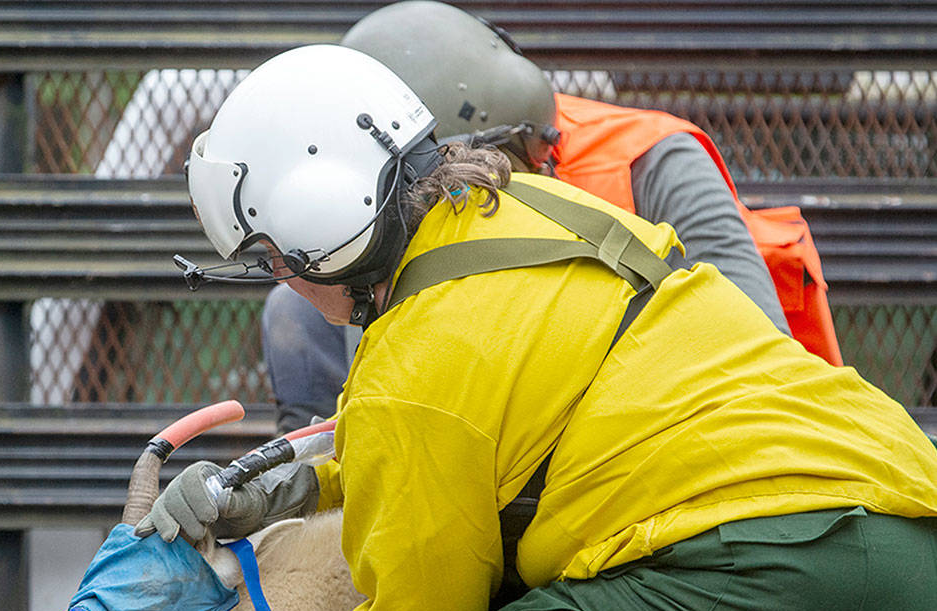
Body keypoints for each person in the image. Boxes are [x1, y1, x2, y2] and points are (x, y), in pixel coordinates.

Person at [131, 42, 937, 611]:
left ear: (316, 236)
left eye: (273, 261)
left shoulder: (411, 369)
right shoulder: (530, 209)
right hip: (912, 565)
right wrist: (303, 486)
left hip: (777, 572)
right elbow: (480, 434)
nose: (284, 285)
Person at [262, 0, 839, 433]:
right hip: (508, 419)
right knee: (298, 306)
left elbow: (762, 363)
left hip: (700, 428)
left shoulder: (651, 163)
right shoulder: (389, 215)